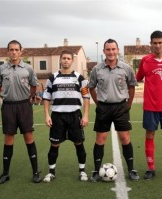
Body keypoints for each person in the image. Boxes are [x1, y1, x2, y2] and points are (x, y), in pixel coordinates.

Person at [88, 39, 140, 182]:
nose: (111, 52)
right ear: (104, 51)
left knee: (125, 138)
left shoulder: (126, 68)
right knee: (100, 139)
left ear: (118, 51)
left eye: (113, 49)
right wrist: (97, 102)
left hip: (121, 107)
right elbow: (90, 87)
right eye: (108, 49)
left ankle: (131, 170)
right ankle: (96, 171)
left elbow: (131, 86)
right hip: (103, 107)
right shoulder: (97, 69)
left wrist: (128, 104)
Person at [0, 40, 41, 184]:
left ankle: (35, 172)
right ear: (7, 52)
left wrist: (27, 97)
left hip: (24, 106)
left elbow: (34, 86)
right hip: (8, 107)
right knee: (8, 138)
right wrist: (5, 96)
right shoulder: (2, 69)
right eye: (11, 49)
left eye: (16, 49)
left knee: (28, 136)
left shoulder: (28, 68)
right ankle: (5, 173)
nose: (14, 52)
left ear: (21, 51)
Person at [136, 30, 162, 180]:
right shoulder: (145, 61)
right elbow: (138, 78)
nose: (158, 45)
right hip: (150, 106)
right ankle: (151, 168)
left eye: (160, 42)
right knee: (150, 135)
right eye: (155, 43)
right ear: (150, 44)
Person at [42, 50, 90, 182]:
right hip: (57, 116)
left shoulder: (80, 78)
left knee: (79, 144)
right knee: (54, 145)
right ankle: (51, 172)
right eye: (64, 58)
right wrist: (47, 115)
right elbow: (46, 97)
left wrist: (85, 115)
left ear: (72, 61)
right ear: (60, 60)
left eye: (68, 58)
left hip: (75, 116)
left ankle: (82, 172)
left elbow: (86, 97)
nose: (66, 60)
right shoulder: (53, 77)